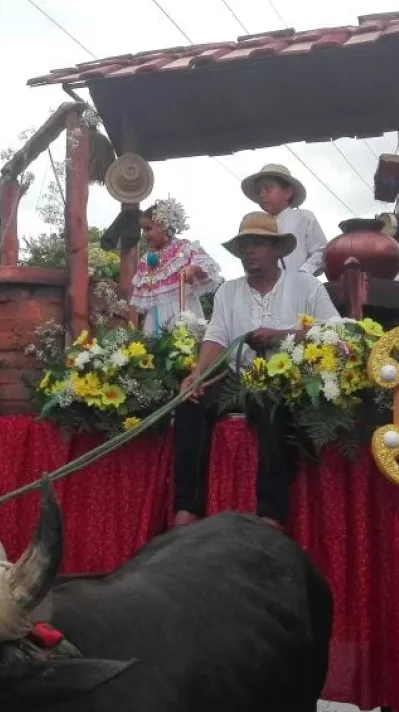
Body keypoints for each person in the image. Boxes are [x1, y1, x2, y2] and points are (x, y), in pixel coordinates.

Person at [174, 211, 337, 531]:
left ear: (277, 249)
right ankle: (187, 507)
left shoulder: (306, 285)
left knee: (272, 404)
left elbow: (336, 331)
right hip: (237, 375)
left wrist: (281, 335)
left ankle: (270, 514)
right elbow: (216, 338)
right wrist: (197, 376)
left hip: (287, 375)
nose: (249, 250)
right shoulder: (229, 290)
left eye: (258, 243)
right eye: (245, 244)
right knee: (190, 402)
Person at [131, 197, 223, 335]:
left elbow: (207, 266)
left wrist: (193, 269)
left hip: (183, 308)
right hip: (156, 314)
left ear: (164, 226)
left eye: (148, 229)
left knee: (185, 347)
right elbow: (148, 289)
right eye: (143, 230)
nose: (145, 235)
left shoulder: (183, 248)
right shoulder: (146, 259)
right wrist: (150, 271)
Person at [241, 164, 329, 276]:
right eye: (259, 191)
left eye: (267, 188)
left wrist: (303, 274)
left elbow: (321, 252)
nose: (262, 194)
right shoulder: (255, 227)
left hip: (299, 288)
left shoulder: (303, 217)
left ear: (287, 192)